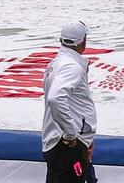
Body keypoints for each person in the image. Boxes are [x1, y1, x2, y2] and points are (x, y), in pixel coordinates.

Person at [42, 21, 97, 183]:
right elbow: (55, 98)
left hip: (60, 141)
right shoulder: (71, 66)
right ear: (83, 41)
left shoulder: (54, 64)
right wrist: (71, 134)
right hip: (67, 144)